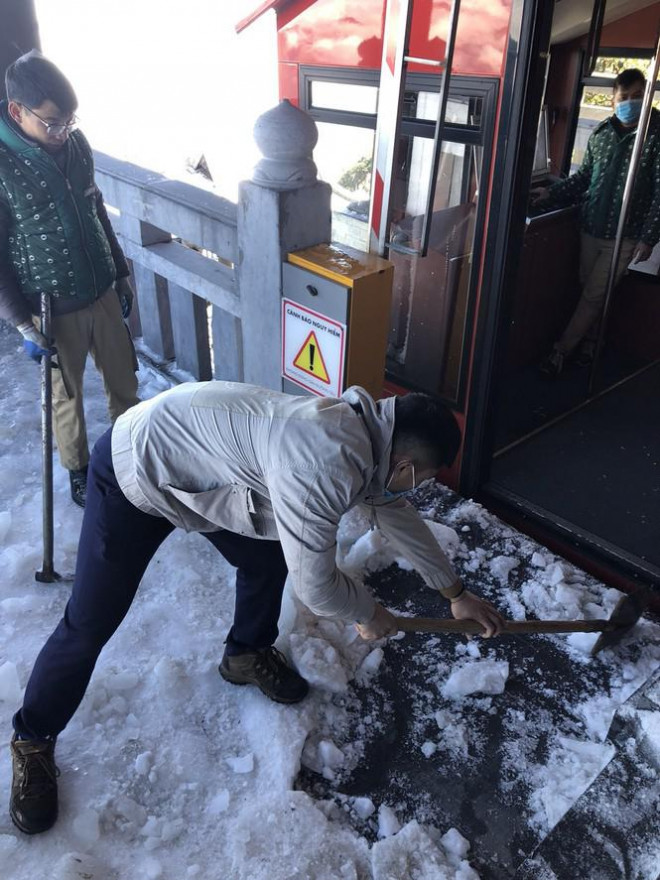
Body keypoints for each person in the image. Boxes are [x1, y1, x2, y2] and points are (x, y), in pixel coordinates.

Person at [9, 380, 505, 835]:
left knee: (267, 559)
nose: (414, 490)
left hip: (200, 472)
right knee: (90, 622)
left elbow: (395, 513)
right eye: (420, 481)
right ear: (404, 467)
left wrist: (455, 593)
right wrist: (368, 613)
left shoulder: (370, 440)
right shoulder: (323, 464)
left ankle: (245, 652)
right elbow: (318, 588)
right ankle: (32, 737)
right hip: (134, 472)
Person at [0, 51, 140, 506]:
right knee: (66, 396)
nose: (62, 133)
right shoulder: (3, 166)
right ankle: (79, 471)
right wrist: (21, 323)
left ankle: (131, 456)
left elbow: (95, 210)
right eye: (52, 123)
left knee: (124, 382)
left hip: (100, 289)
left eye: (69, 122)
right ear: (17, 112)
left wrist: (120, 271)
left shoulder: (76, 145)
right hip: (51, 304)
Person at [533, 68, 660, 377]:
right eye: (624, 97)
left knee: (593, 294)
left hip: (625, 234)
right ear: (613, 100)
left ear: (647, 97)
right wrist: (550, 193)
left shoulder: (655, 137)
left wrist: (648, 237)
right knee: (591, 291)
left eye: (637, 96)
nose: (630, 103)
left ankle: (560, 352)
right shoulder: (601, 134)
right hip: (592, 225)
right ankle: (592, 343)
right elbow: (584, 178)